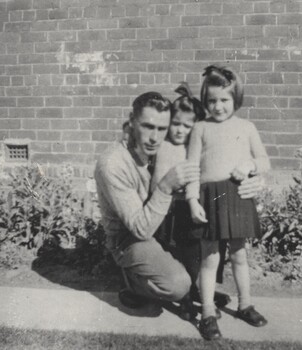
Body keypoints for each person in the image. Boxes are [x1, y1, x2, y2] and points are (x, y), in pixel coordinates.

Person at [186, 65, 271, 340]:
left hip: (235, 196)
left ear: (236, 99)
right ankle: (208, 312)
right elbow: (191, 168)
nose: (218, 106)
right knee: (210, 258)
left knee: (239, 255)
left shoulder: (246, 128)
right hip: (209, 198)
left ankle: (245, 304)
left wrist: (249, 164)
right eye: (211, 100)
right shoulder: (200, 128)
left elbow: (264, 162)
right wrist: (191, 199)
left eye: (224, 100)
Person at [95, 92, 198, 307]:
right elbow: (140, 229)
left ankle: (193, 285)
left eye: (161, 129)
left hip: (161, 227)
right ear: (132, 122)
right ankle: (132, 281)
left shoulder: (162, 148)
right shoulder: (113, 163)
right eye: (148, 127)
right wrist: (166, 185)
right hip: (129, 239)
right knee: (178, 284)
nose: (154, 138)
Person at [150, 82, 228, 320]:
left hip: (187, 208)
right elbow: (155, 180)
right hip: (166, 210)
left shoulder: (193, 148)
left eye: (187, 126)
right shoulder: (163, 146)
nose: (180, 131)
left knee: (193, 254)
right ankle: (183, 298)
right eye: (176, 124)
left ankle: (195, 289)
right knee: (173, 255)